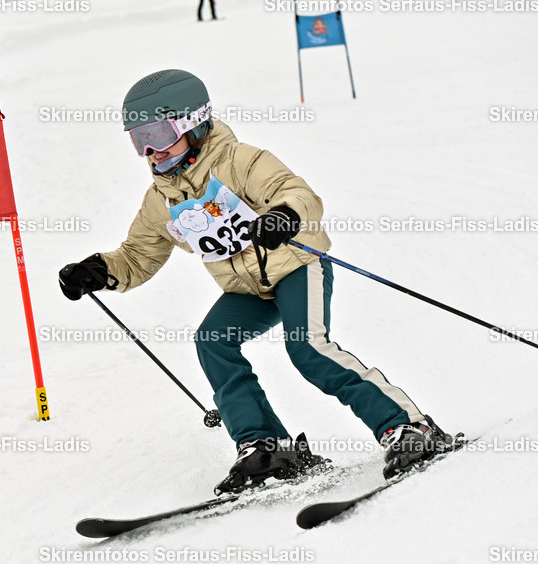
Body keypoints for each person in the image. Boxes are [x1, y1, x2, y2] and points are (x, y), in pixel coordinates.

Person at [58, 70, 456, 494]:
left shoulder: (241, 161)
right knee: (213, 341)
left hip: (297, 265)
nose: (151, 151)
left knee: (306, 349)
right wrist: (100, 270)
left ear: (193, 123)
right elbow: (138, 255)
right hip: (246, 290)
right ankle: (265, 446)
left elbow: (296, 192)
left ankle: (407, 428)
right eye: (140, 140)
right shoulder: (162, 200)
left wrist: (284, 214)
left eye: (158, 134)